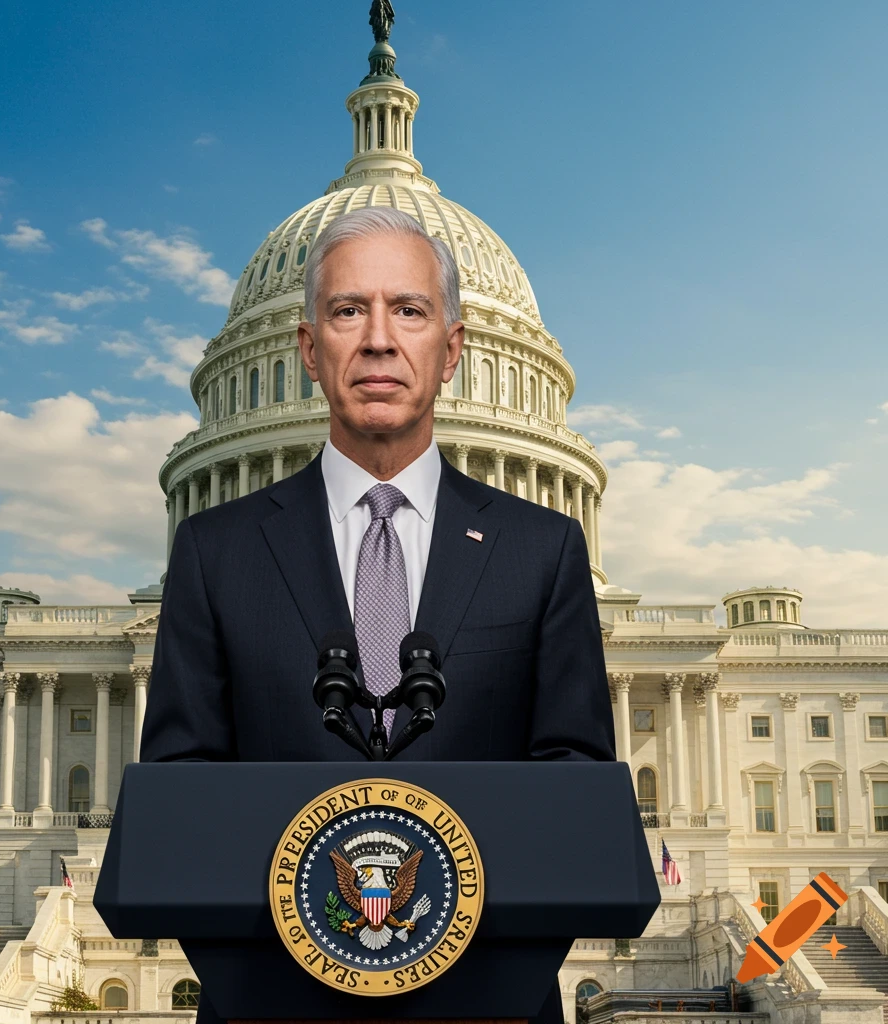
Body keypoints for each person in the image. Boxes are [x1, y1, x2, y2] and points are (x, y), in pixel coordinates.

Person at [139, 206, 616, 1023]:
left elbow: (573, 804)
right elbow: (182, 807)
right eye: (349, 310)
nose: (379, 340)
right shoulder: (214, 553)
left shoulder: (545, 550)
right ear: (308, 352)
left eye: (410, 310)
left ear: (454, 349)